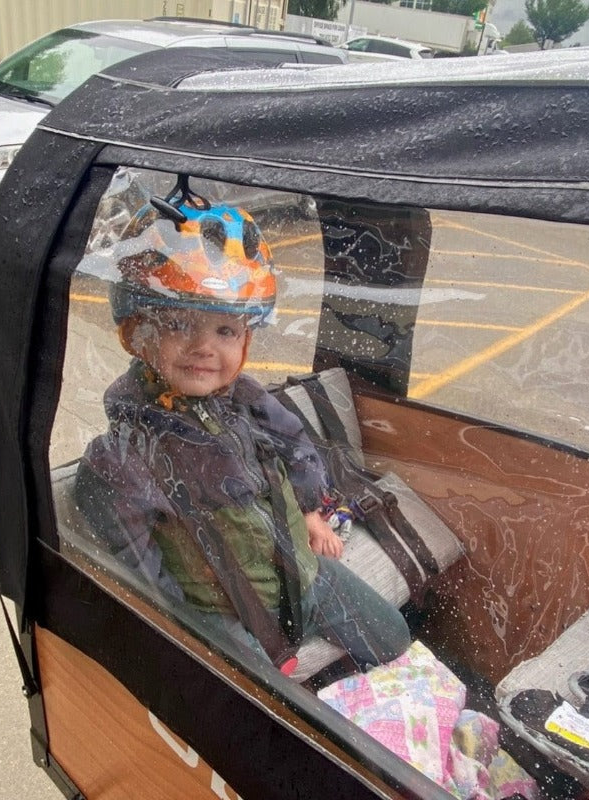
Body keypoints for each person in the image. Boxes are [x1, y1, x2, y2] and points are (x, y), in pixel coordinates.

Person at [75, 192, 410, 675]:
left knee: (392, 640)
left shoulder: (244, 399)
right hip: (222, 613)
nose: (203, 347)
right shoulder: (122, 457)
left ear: (246, 339)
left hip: (301, 574)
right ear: (137, 332)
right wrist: (190, 633)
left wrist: (313, 510)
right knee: (262, 706)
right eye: (176, 323)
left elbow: (295, 444)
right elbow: (146, 576)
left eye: (225, 331)